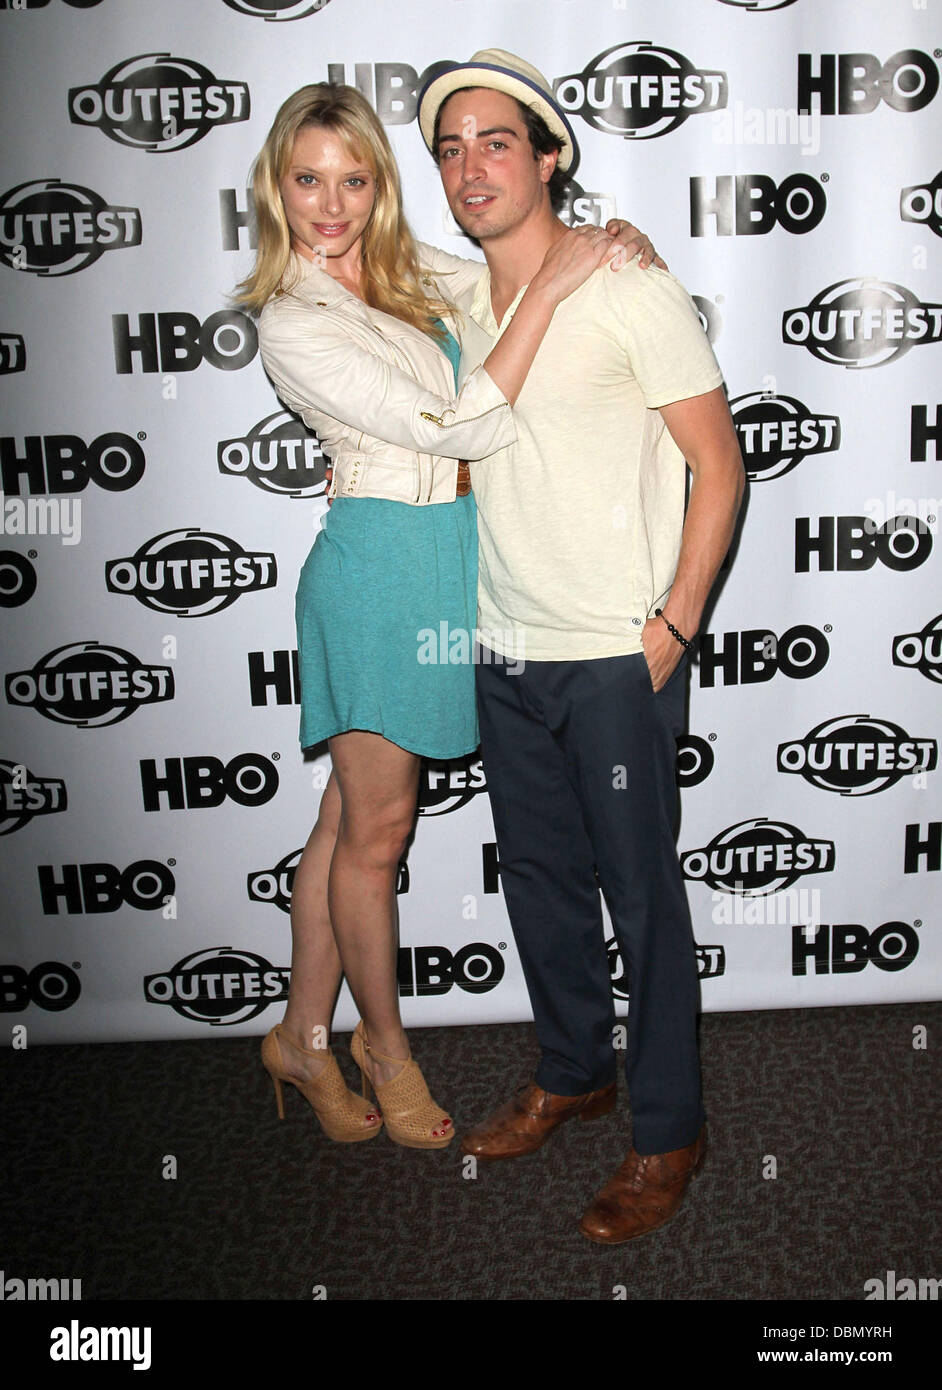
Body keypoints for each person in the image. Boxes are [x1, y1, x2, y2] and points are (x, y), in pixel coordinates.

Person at [235, 84, 655, 1149]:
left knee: (342, 822)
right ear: (276, 190)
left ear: (379, 186)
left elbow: (518, 273)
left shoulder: (407, 276)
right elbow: (454, 419)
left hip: (450, 562)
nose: (331, 203)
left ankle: (295, 1037)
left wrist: (602, 244)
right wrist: (557, 292)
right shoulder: (291, 318)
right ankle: (385, 1049)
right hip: (379, 570)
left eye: (354, 178)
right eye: (308, 179)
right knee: (378, 835)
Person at [415, 49, 745, 1232]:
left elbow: (720, 463)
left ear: (550, 156)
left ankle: (671, 1130)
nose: (470, 167)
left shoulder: (629, 284)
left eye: (496, 141)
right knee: (545, 885)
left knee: (642, 897)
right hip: (501, 648)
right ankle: (574, 1071)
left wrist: (676, 620)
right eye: (449, 148)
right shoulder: (450, 302)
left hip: (616, 654)